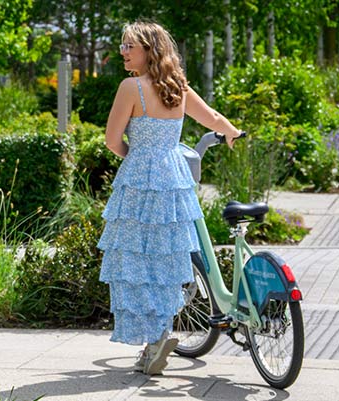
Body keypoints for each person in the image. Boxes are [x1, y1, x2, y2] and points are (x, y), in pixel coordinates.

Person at [96, 20, 243, 376]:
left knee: (135, 261)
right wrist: (233, 133)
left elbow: (112, 141)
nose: (123, 52)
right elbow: (214, 119)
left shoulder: (131, 88)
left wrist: (137, 158)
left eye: (130, 46)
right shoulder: (178, 87)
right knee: (166, 261)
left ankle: (154, 340)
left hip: (138, 180)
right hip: (175, 180)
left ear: (149, 49)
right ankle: (157, 338)